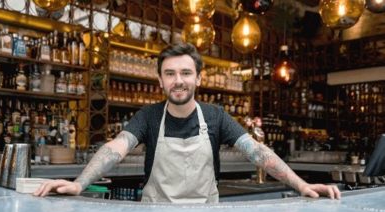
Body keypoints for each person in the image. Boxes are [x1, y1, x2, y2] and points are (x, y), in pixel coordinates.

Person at [34, 43, 341, 203]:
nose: (178, 81)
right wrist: (78, 184)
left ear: (198, 78)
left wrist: (301, 185)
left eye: (185, 73)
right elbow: (116, 148)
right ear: (160, 80)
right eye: (170, 74)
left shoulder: (216, 116)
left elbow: (257, 152)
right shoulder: (149, 117)